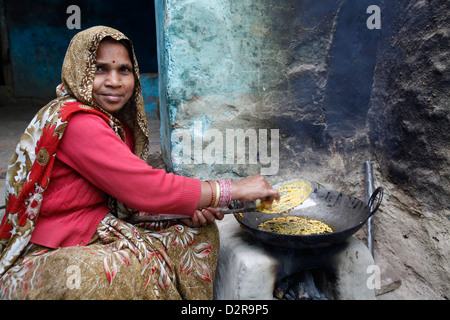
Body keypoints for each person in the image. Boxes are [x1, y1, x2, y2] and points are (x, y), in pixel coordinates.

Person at [0, 26, 279, 300]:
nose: (114, 81)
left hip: (95, 225)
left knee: (196, 233)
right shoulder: (77, 122)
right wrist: (232, 190)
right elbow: (145, 188)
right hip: (54, 245)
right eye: (100, 69)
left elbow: (126, 192)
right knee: (99, 276)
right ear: (78, 71)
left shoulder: (110, 122)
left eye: (124, 70)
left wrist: (177, 211)